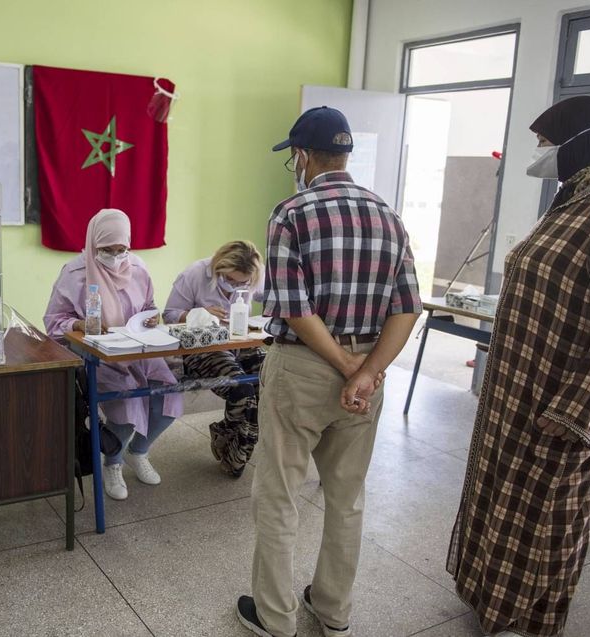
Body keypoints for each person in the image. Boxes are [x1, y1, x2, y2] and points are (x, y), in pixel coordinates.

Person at [447, 96, 590, 636]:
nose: (539, 154)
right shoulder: (578, 196)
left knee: (545, 514)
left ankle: (530, 618)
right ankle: (490, 600)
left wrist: (577, 409)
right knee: (501, 496)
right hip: (519, 386)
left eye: (546, 143)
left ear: (580, 142)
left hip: (560, 398)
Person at [236, 106, 422, 637]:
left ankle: (276, 618)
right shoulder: (388, 215)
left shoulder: (291, 213)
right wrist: (367, 372)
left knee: (280, 493)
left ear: (301, 155)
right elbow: (408, 305)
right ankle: (333, 610)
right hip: (369, 369)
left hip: (303, 367)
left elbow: (293, 307)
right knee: (347, 496)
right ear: (345, 153)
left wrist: (344, 365)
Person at [44, 209, 183, 501]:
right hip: (98, 352)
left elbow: (149, 305)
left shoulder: (138, 268)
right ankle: (113, 463)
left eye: (122, 250)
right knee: (125, 408)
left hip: (138, 349)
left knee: (169, 394)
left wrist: (151, 317)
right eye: (108, 250)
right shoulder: (74, 273)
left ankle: (138, 451)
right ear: (94, 244)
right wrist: (79, 324)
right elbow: (53, 321)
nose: (117, 256)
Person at [163, 240, 266, 477]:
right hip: (202, 348)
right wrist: (198, 314)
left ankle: (225, 432)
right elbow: (169, 315)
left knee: (269, 382)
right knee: (243, 391)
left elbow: (273, 296)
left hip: (240, 343)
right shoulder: (194, 274)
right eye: (230, 280)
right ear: (219, 268)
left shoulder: (254, 277)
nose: (235, 286)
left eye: (243, 283)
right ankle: (234, 457)